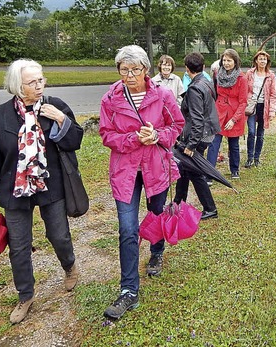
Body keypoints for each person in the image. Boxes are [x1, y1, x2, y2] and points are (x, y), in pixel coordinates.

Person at [0, 59, 83, 324]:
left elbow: (75, 140)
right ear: (17, 86)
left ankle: (69, 266)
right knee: (19, 246)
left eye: (41, 79)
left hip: (50, 184)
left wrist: (61, 119)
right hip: (15, 188)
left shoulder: (54, 105)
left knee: (58, 235)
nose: (39, 86)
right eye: (32, 82)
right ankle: (26, 294)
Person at [99, 45, 185, 319]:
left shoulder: (162, 95)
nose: (130, 75)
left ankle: (157, 251)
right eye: (124, 70)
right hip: (125, 172)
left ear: (146, 70)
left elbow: (177, 125)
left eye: (135, 70)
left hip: (156, 168)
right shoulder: (110, 99)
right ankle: (128, 290)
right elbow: (106, 134)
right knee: (127, 228)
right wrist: (133, 138)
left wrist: (157, 136)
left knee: (156, 213)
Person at [174, 52, 220, 221]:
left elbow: (197, 118)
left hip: (199, 135)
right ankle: (178, 202)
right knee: (184, 169)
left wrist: (191, 145)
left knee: (194, 172)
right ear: (203, 66)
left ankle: (210, 208)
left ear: (187, 69)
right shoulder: (206, 81)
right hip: (205, 132)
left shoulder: (194, 88)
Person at [207, 48, 247, 179]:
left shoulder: (241, 78)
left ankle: (235, 169)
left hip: (235, 114)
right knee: (214, 143)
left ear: (235, 62)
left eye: (229, 60)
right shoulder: (217, 74)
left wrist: (234, 119)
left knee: (233, 144)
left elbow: (243, 102)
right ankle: (209, 172)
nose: (226, 63)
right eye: (224, 60)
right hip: (219, 112)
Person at [245, 50, 276, 168]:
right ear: (256, 61)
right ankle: (249, 157)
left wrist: (272, 111)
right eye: (260, 59)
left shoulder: (271, 75)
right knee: (251, 132)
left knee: (260, 134)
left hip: (264, 106)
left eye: (264, 59)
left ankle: (257, 157)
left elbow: (274, 94)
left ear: (267, 61)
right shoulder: (249, 73)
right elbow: (244, 89)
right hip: (252, 106)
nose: (262, 61)